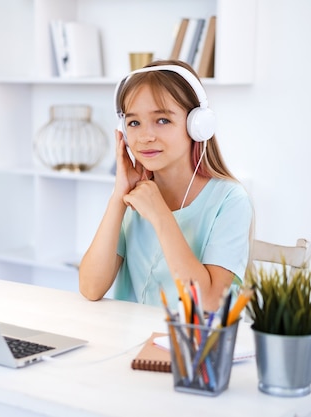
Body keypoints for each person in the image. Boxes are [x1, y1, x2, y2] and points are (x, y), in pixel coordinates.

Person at [78, 60, 253, 313]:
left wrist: (160, 215)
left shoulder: (230, 200)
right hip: (131, 342)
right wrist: (118, 198)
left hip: (195, 346)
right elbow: (90, 287)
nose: (145, 136)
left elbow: (210, 304)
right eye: (134, 123)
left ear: (198, 125)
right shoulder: (134, 194)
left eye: (162, 120)